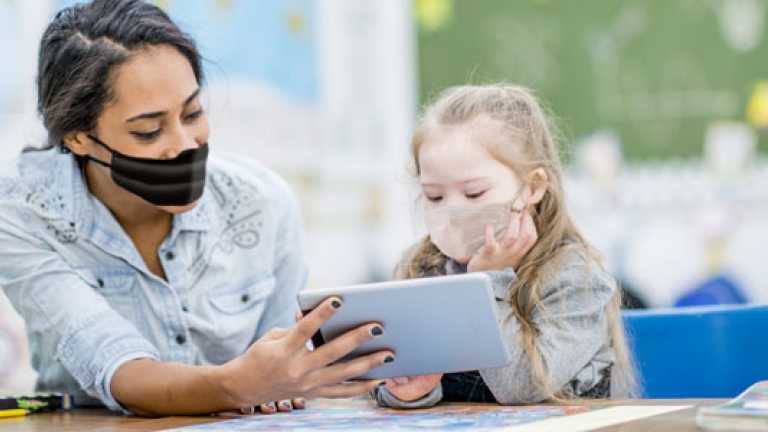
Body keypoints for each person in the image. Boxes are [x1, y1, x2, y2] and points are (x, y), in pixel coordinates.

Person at [0, 0, 393, 416]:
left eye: (192, 113)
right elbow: (117, 366)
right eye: (149, 131)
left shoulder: (261, 202)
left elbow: (281, 375)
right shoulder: (23, 213)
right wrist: (238, 385)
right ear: (77, 138)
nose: (185, 144)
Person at [373, 85, 635, 408]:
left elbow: (521, 388)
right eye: (434, 196)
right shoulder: (422, 269)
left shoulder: (577, 280)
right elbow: (380, 380)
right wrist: (409, 390)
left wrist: (486, 282)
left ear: (532, 187)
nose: (451, 213)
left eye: (474, 194)